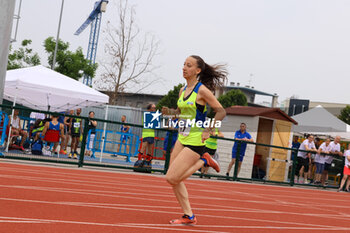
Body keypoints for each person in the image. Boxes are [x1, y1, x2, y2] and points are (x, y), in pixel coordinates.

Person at [164, 55, 227, 225]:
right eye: (183, 64)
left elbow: (221, 111)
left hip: (196, 140)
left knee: (171, 178)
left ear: (197, 71)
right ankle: (189, 216)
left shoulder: (202, 90)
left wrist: (209, 128)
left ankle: (202, 161)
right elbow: (180, 112)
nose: (184, 67)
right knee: (174, 179)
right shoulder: (182, 91)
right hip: (181, 137)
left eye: (189, 65)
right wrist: (170, 114)